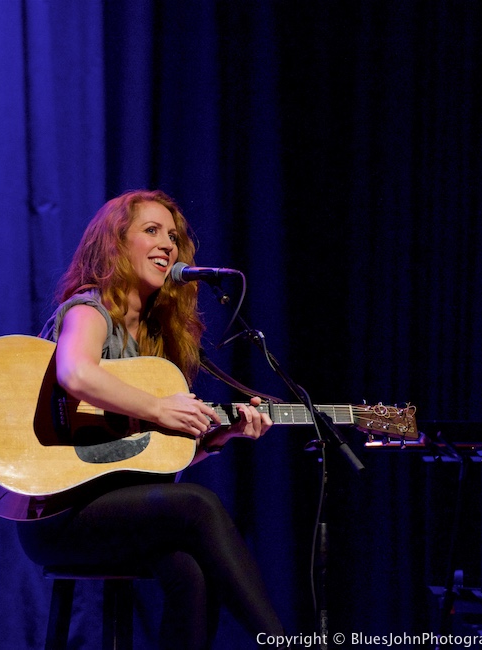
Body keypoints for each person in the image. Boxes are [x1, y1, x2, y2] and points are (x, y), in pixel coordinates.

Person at [16, 189, 284, 648]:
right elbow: (76, 373)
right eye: (152, 231)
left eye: (174, 237)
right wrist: (160, 407)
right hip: (56, 514)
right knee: (197, 506)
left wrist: (217, 437)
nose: (168, 245)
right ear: (116, 243)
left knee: (193, 570)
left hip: (113, 509)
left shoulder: (157, 344)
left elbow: (141, 459)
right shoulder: (89, 309)